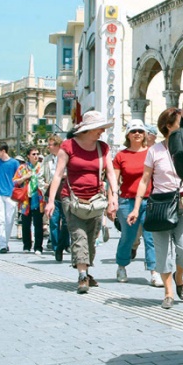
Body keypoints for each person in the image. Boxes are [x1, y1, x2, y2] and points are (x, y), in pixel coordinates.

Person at [128, 108, 183, 308]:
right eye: (180, 122)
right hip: (160, 205)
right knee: (162, 252)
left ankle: (179, 278)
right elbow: (144, 181)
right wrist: (136, 208)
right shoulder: (154, 151)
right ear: (168, 126)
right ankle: (168, 291)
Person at [44, 110, 119, 294]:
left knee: (91, 239)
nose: (101, 131)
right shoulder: (68, 146)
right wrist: (51, 201)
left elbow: (110, 173)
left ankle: (85, 268)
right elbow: (58, 175)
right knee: (79, 236)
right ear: (88, 129)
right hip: (72, 198)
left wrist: (114, 197)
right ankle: (82, 275)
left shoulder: (103, 147)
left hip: (95, 199)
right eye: (99, 128)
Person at [113, 119, 161, 286]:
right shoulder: (121, 155)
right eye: (134, 131)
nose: (138, 134)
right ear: (128, 134)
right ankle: (121, 265)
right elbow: (114, 180)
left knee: (150, 237)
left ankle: (154, 271)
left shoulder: (152, 152)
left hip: (150, 201)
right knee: (128, 235)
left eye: (141, 131)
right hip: (127, 201)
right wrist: (111, 201)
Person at [0, 142, 20, 254]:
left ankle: (5, 242)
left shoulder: (14, 163)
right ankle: (2, 245)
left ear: (3, 151)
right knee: (0, 219)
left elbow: (19, 178)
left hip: (11, 194)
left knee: (9, 220)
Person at [42, 135, 70, 262]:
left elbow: (70, 172)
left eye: (51, 144)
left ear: (58, 145)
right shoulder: (46, 160)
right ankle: (56, 247)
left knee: (66, 222)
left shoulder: (66, 156)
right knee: (53, 221)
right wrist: (45, 186)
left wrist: (62, 175)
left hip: (64, 191)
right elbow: (40, 176)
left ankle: (64, 244)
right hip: (52, 192)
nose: (49, 147)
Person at [13, 146, 45, 254]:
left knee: (38, 223)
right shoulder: (22, 168)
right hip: (25, 199)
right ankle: (26, 245)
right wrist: (24, 177)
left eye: (37, 154)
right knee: (26, 223)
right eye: (33, 154)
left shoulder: (42, 167)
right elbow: (14, 182)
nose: (36, 156)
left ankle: (38, 247)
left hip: (38, 198)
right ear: (28, 156)